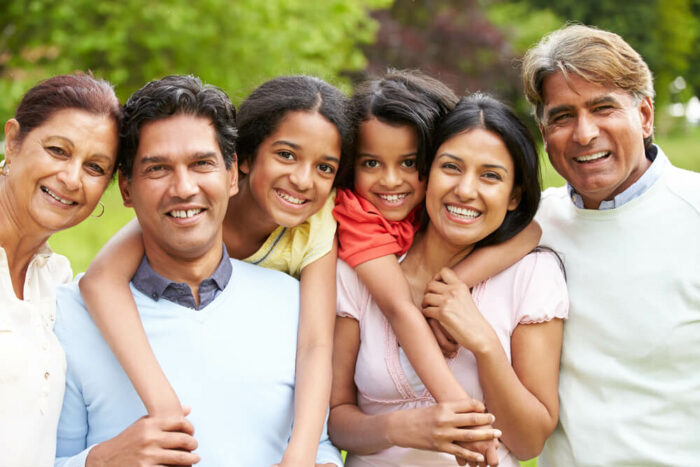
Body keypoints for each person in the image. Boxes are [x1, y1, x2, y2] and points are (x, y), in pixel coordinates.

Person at [53, 75, 342, 466]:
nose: (184, 187)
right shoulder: (68, 317)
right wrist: (100, 460)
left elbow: (317, 445)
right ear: (125, 188)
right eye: (157, 169)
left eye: (202, 163)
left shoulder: (292, 303)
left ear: (231, 173)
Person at [329, 94, 568, 466]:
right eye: (451, 167)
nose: (465, 190)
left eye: (490, 175)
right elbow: (335, 420)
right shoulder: (362, 268)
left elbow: (529, 443)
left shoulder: (531, 275)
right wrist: (401, 427)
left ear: (513, 196)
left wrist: (485, 344)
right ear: (427, 172)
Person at [521, 24, 700, 465]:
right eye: (562, 116)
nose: (584, 134)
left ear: (644, 115)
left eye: (603, 108)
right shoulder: (530, 226)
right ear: (544, 132)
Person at [0, 73, 121, 467]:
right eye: (57, 150)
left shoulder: (56, 282)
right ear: (13, 141)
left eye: (95, 167)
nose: (71, 179)